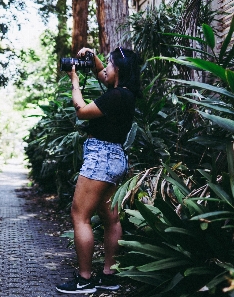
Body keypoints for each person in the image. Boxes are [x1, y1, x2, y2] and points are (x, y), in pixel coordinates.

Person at [56, 46, 142, 294]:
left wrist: (74, 81)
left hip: (100, 157)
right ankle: (108, 276)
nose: (107, 68)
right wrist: (92, 58)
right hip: (115, 157)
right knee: (110, 218)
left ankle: (84, 280)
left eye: (110, 64)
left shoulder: (115, 97)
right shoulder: (125, 94)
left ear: (119, 70)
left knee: (79, 214)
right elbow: (102, 73)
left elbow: (82, 111)